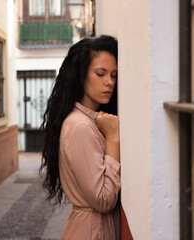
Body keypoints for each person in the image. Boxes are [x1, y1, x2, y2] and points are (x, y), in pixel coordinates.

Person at [40, 35, 120, 239]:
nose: (109, 82)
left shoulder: (92, 121)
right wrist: (113, 139)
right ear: (81, 76)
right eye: (100, 74)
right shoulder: (79, 126)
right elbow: (103, 200)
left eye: (113, 74)